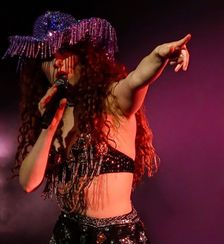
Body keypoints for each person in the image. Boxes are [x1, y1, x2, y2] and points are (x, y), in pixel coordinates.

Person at [4, 10, 191, 243]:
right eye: (47, 56)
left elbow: (136, 79)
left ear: (84, 56)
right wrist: (48, 127)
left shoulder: (112, 99)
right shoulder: (51, 114)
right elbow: (29, 182)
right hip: (68, 235)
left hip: (118, 236)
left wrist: (159, 55)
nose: (57, 62)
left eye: (65, 52)